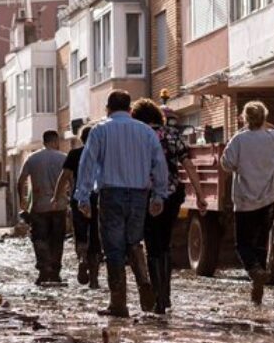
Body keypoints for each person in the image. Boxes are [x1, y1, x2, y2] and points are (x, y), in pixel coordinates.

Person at [75, 90, 169, 318]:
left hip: (111, 194)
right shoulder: (146, 132)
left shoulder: (100, 130)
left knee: (113, 248)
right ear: (129, 109)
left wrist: (83, 196)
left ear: (108, 108)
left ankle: (118, 302)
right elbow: (159, 164)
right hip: (139, 195)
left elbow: (87, 164)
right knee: (134, 241)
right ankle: (144, 281)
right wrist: (158, 195)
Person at [130, 98, 208, 313]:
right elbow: (188, 165)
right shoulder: (172, 135)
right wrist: (200, 195)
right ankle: (164, 295)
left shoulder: (136, 137)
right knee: (164, 243)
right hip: (171, 195)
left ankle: (156, 294)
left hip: (143, 194)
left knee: (151, 243)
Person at [220, 101, 274, 304]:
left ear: (244, 118)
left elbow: (226, 164)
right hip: (268, 199)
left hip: (245, 201)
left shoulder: (239, 140)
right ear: (264, 117)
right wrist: (267, 124)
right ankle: (259, 278)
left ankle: (254, 271)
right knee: (261, 242)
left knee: (243, 244)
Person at [51, 125, 102, 289]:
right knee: (95, 235)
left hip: (78, 198)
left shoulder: (74, 154)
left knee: (80, 233)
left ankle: (82, 259)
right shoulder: (101, 153)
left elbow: (64, 176)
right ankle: (94, 279)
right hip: (99, 199)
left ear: (82, 139)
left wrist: (56, 196)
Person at [18, 130, 67, 285]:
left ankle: (44, 269)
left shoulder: (32, 158)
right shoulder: (63, 158)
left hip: (39, 207)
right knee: (57, 240)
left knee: (40, 238)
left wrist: (23, 200)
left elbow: (20, 181)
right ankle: (55, 272)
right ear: (55, 141)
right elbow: (71, 180)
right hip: (59, 206)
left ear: (44, 141)